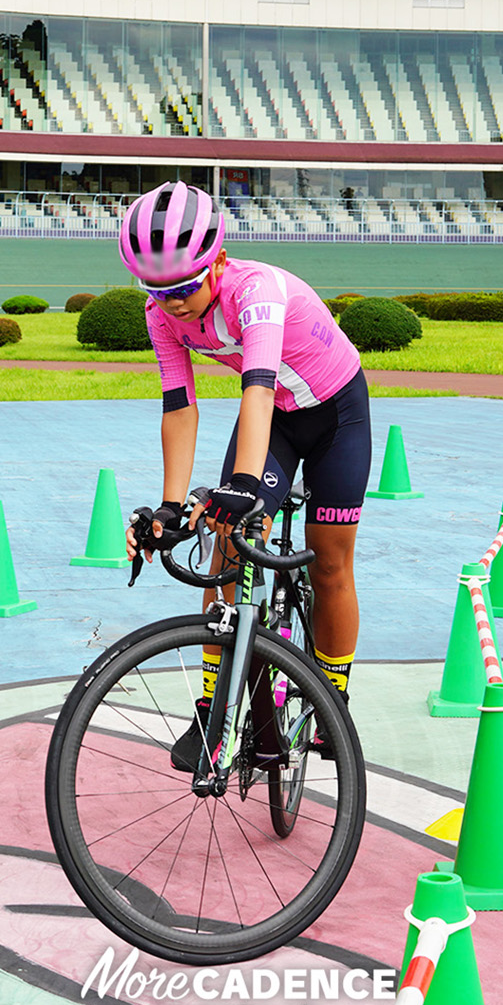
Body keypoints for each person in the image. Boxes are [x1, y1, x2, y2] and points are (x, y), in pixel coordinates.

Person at [118, 180, 371, 770]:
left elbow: (256, 386)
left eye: (183, 286)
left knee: (329, 559)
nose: (172, 301)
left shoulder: (255, 292)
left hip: (335, 416)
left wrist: (245, 485)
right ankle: (214, 709)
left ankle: (332, 699)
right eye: (155, 288)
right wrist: (172, 508)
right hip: (277, 419)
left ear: (218, 262)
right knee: (226, 545)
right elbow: (179, 406)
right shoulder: (162, 315)